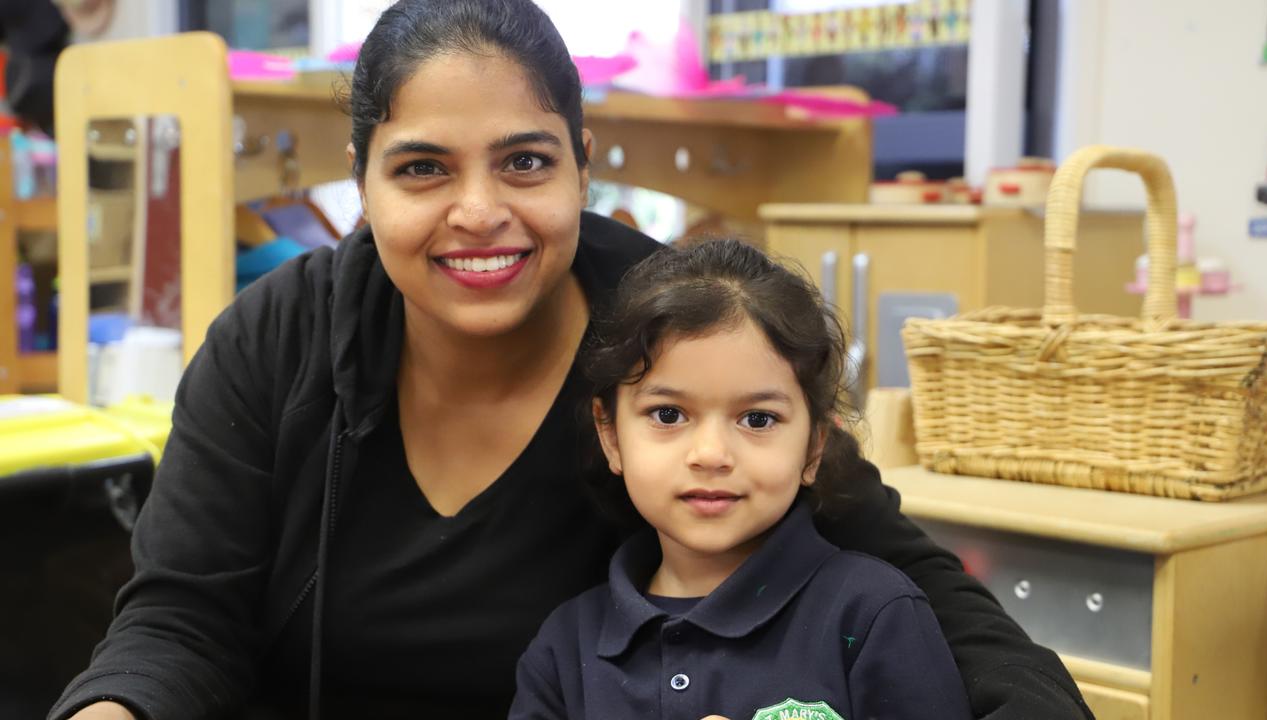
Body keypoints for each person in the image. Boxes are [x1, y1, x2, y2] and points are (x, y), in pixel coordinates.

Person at [51, 1, 1091, 719]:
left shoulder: (675, 337)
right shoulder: (273, 343)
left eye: (524, 162)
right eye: (421, 169)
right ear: (359, 183)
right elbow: (181, 622)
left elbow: (905, 576)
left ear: (583, 167)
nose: (478, 211)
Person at [509, 239, 971, 719]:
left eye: (757, 420)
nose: (711, 455)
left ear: (814, 445)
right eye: (668, 414)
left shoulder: (873, 615)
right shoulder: (564, 652)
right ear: (611, 437)